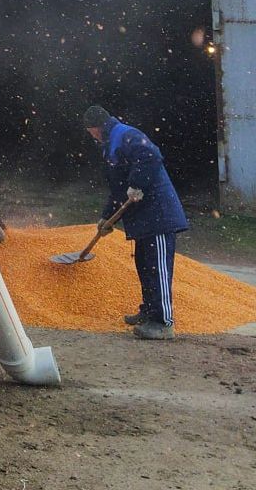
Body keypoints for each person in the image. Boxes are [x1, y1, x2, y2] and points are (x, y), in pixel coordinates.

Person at [83, 104, 188, 341]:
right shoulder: (110, 146)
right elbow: (118, 189)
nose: (92, 137)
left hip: (158, 215)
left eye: (91, 133)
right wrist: (107, 217)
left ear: (96, 128)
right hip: (144, 220)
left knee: (158, 268)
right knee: (145, 266)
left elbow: (151, 156)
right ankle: (149, 311)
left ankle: (163, 323)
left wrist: (138, 184)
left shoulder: (126, 135)